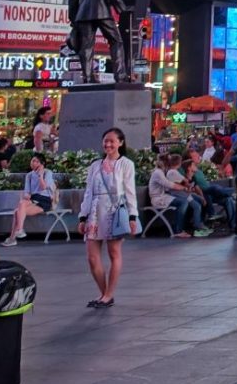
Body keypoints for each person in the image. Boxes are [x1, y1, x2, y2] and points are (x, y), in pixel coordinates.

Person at [78, 127, 139, 308]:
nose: (108, 144)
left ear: (120, 142)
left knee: (114, 253)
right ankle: (104, 293)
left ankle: (108, 294)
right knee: (92, 257)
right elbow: (88, 192)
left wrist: (133, 215)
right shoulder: (95, 165)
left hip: (114, 210)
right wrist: (83, 216)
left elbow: (130, 191)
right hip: (95, 212)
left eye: (112, 141)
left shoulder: (126, 164)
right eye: (106, 141)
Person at [149, 153, 208, 238]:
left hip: (164, 197)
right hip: (158, 199)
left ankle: (185, 226)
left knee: (187, 201)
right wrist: (184, 188)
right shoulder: (158, 173)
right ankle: (178, 230)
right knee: (183, 202)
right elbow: (170, 185)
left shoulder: (161, 172)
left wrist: (184, 188)